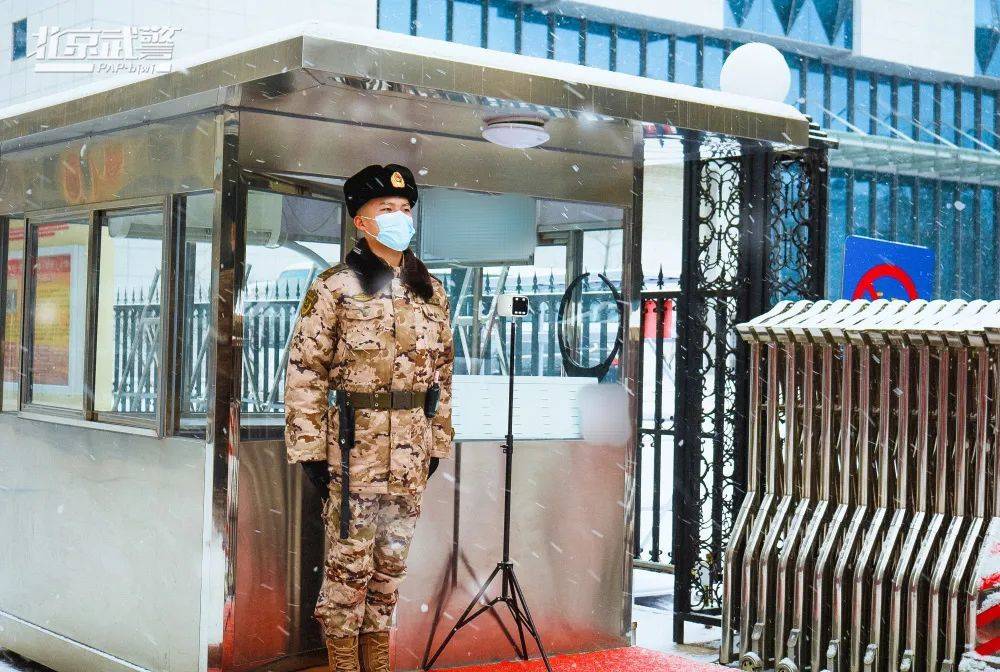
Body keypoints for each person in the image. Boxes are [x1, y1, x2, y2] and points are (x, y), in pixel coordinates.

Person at [284, 163, 455, 672]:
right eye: (387, 209)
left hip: (410, 455)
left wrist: (437, 444)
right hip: (352, 454)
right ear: (361, 222)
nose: (400, 217)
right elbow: (306, 371)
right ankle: (343, 663)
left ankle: (377, 662)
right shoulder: (335, 287)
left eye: (405, 209)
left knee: (391, 566)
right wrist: (311, 452)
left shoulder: (430, 289)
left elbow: (443, 375)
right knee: (349, 567)